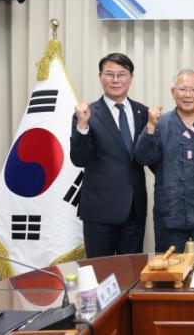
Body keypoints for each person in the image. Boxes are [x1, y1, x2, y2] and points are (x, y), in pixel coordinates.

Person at [133, 69, 194, 253]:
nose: (188, 95)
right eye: (182, 89)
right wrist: (150, 126)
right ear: (173, 92)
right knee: (169, 266)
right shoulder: (159, 123)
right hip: (169, 212)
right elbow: (142, 158)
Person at [70, 53, 148, 258]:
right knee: (100, 270)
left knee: (131, 269)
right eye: (109, 74)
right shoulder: (87, 113)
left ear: (131, 77)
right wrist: (82, 125)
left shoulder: (143, 112)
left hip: (134, 209)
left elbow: (146, 157)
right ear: (100, 77)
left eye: (121, 74)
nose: (115, 80)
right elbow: (79, 159)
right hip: (99, 209)